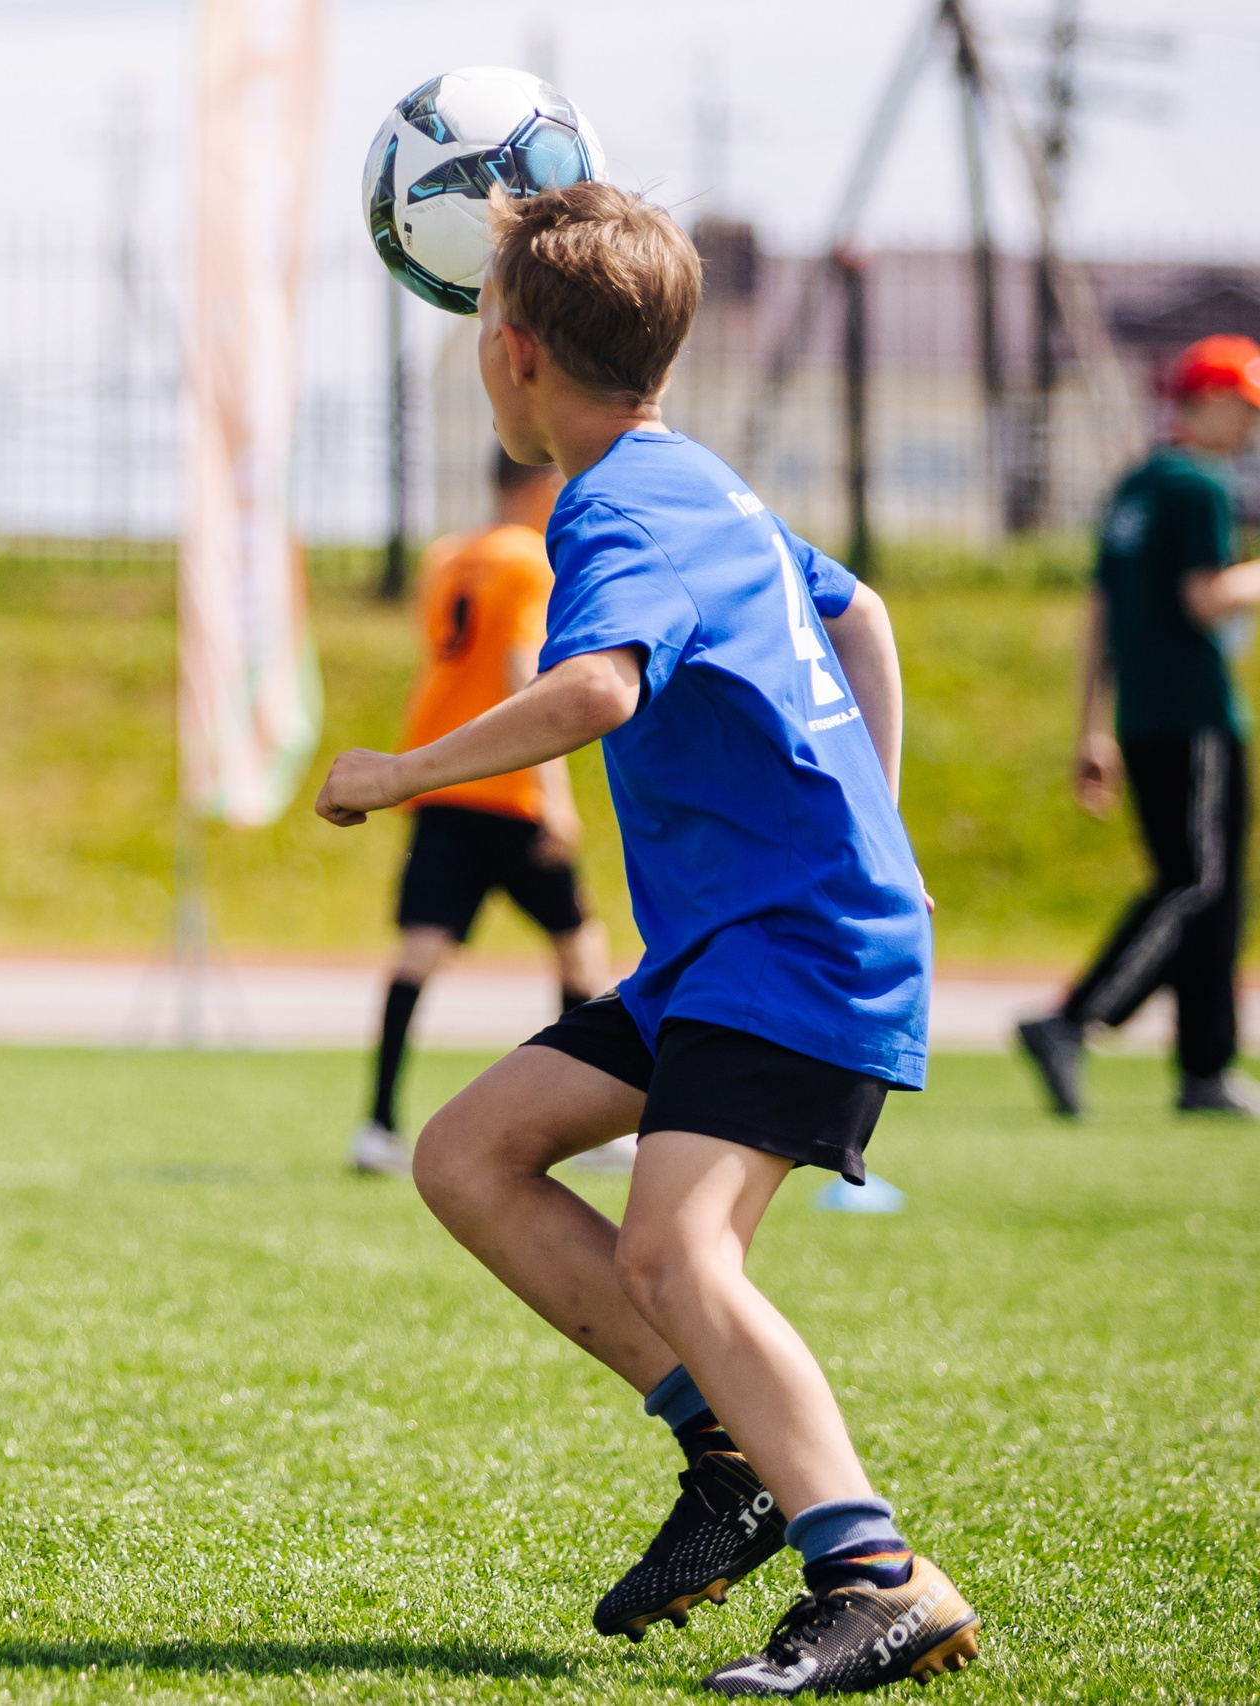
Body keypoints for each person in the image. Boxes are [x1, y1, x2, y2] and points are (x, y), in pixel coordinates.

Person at [316, 183, 978, 1694]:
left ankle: (876, 1574)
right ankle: (728, 1456)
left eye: (483, 317)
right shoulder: (698, 478)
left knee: (678, 1248)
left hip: (790, 948)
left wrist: (398, 774)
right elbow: (860, 611)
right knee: (469, 1151)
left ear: (518, 353)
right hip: (735, 950)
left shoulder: (610, 504)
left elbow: (602, 690)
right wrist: (885, 824)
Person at [1017, 334, 1260, 1120]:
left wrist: (1092, 726)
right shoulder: (1197, 487)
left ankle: (1204, 1068)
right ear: (1209, 400)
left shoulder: (1135, 487)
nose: (1250, 426)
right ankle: (1074, 1019)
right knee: (1199, 885)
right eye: (1245, 407)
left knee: (1209, 892)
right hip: (1196, 717)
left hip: (1144, 718)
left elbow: (1102, 615)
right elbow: (1205, 599)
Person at [352, 448, 607, 1178]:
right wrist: (553, 795)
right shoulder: (529, 560)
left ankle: (376, 1125)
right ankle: (582, 1129)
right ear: (537, 485)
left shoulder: (445, 557)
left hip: (440, 779)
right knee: (580, 948)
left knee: (418, 954)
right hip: (506, 786)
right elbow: (523, 676)